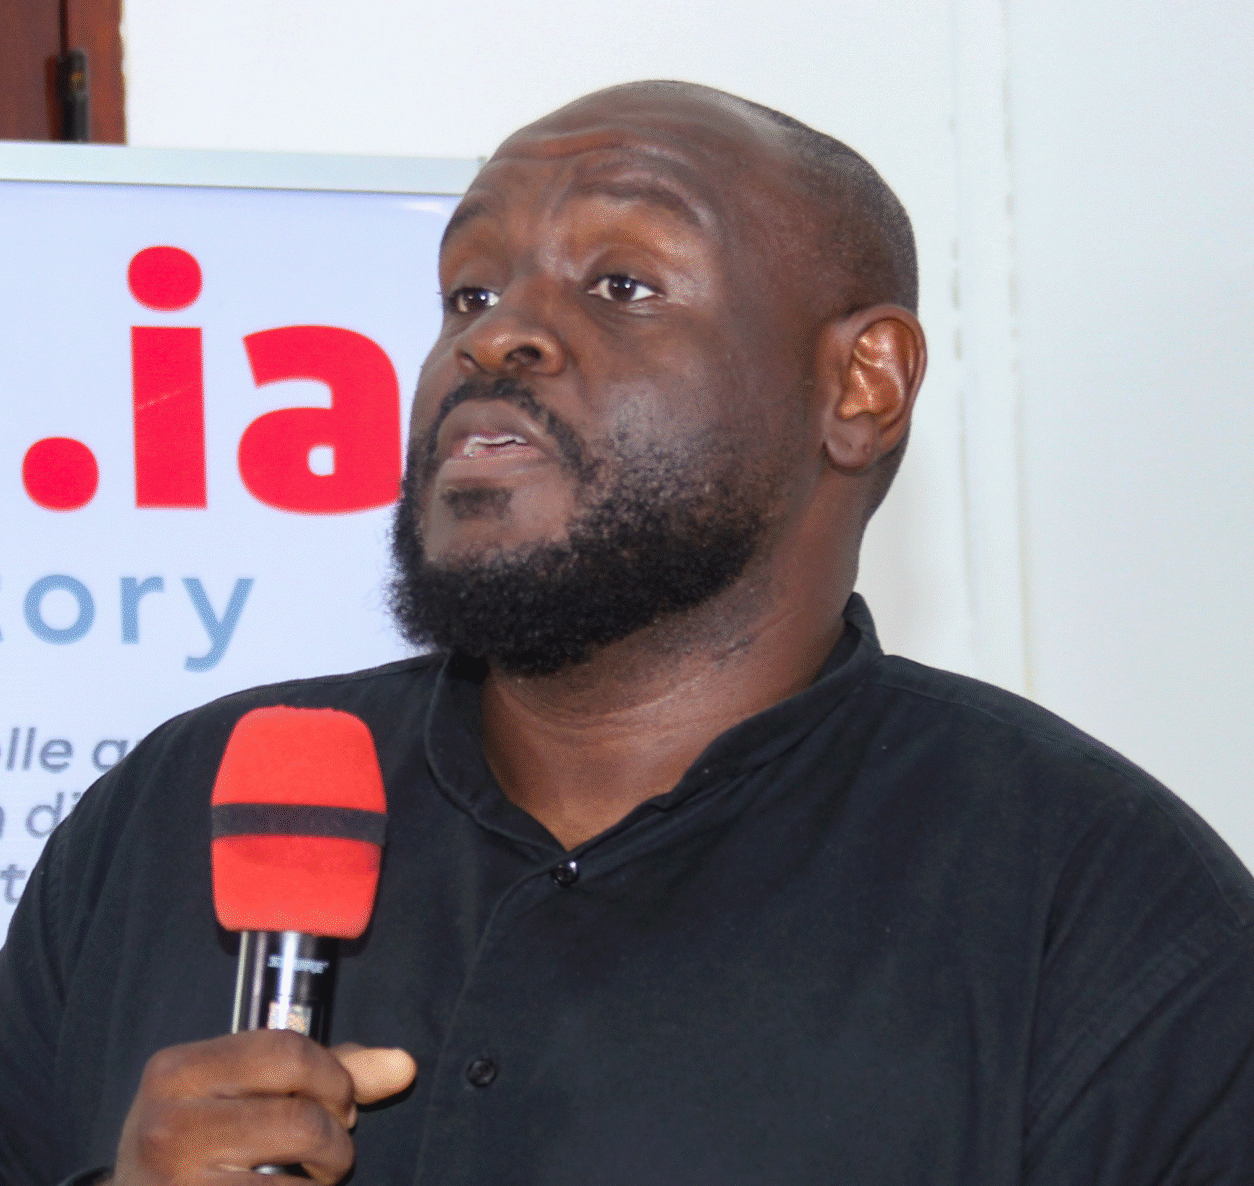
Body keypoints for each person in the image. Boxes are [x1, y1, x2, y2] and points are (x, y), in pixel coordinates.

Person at [2, 80, 1252, 1186]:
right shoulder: (173, 813)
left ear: (861, 384)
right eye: (469, 291)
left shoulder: (1100, 909)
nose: (492, 335)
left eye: (623, 284)